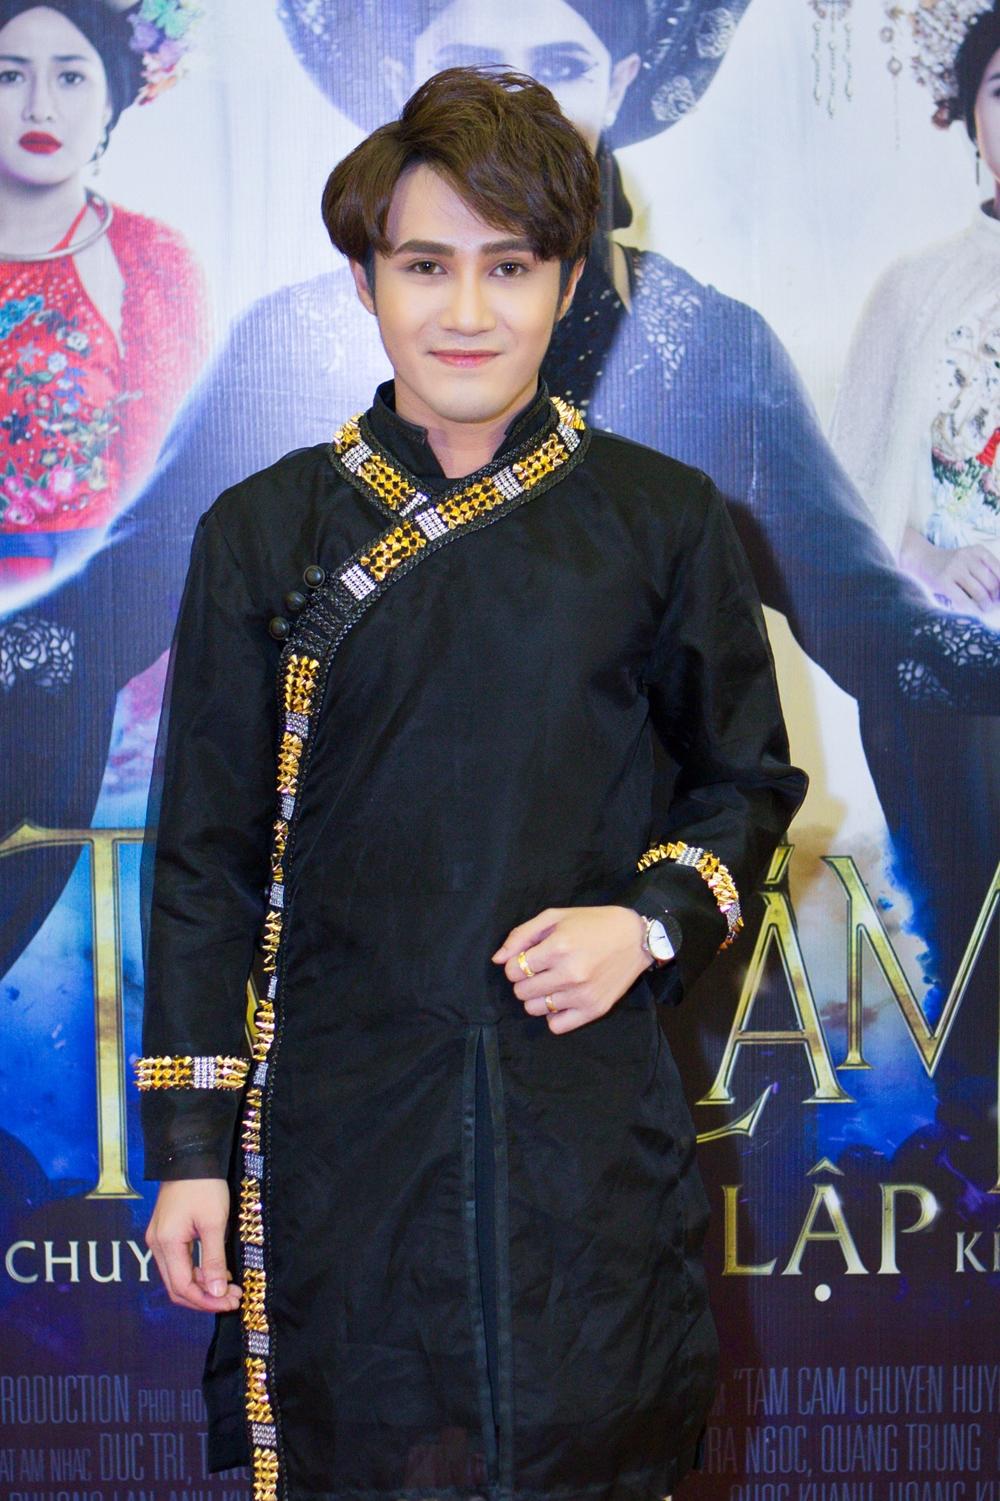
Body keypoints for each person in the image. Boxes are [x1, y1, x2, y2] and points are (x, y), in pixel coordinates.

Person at [2, 0, 996, 988]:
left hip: (600, 958)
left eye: (561, 63)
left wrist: (651, 925)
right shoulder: (287, 348)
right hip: (354, 976)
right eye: (474, 60)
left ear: (623, 81)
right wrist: (29, 649)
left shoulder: (710, 348)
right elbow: (128, 589)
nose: (520, 102)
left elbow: (852, 609)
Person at [138, 67, 807, 1501]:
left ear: (566, 286)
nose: (466, 311)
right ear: (366, 282)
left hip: (577, 1125)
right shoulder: (261, 530)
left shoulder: (663, 521)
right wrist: (192, 1152)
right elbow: (202, 860)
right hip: (335, 1135)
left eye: (509, 268)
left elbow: (744, 784)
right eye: (425, 265)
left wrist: (644, 924)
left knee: (586, 1448)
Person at [830, 1, 1000, 994]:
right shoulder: (915, 290)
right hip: (949, 664)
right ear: (970, 115)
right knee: (967, 935)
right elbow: (846, 489)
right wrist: (927, 557)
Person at [0, 0, 206, 604]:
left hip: (97, 598)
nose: (40, 106)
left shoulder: (153, 258)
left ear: (111, 99)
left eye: (70, 76)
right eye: (9, 75)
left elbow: (169, 480)